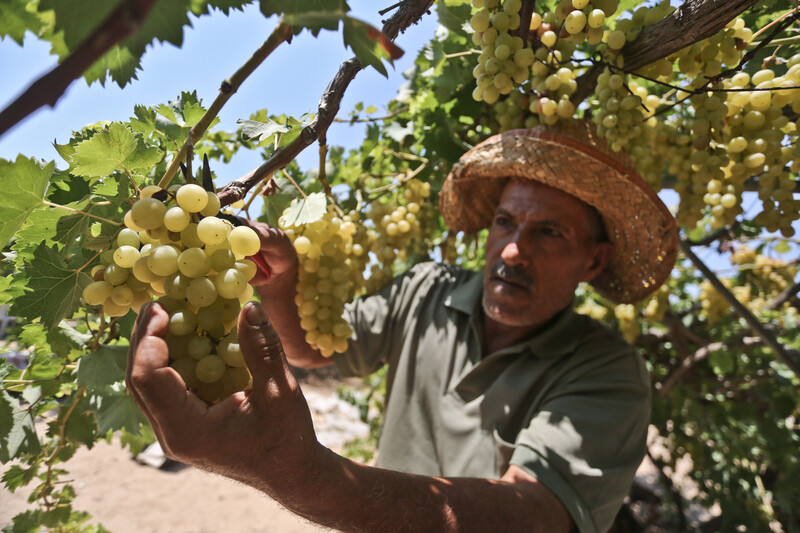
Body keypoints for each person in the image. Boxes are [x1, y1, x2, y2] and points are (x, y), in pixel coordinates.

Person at [126, 121, 677, 532]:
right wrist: (281, 283)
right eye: (506, 222)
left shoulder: (609, 372)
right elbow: (319, 351)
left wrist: (302, 475)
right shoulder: (427, 289)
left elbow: (535, 516)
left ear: (595, 262)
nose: (513, 250)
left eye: (549, 233)